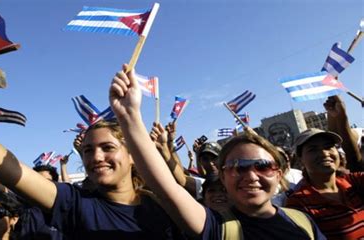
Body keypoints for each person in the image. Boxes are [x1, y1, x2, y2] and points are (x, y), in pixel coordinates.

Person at [0, 62, 184, 239]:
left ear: (132, 156)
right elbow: (9, 169)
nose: (96, 157)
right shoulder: (75, 204)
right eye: (87, 150)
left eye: (107, 148)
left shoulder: (166, 204)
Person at [108, 64, 325, 239]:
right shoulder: (216, 227)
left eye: (263, 166)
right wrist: (129, 116)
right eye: (237, 167)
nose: (251, 175)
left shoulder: (303, 222)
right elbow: (165, 187)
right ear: (222, 176)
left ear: (279, 173)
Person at [285, 128, 364, 239]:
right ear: (300, 159)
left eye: (328, 147)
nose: (324, 153)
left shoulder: (353, 181)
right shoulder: (298, 203)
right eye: (313, 149)